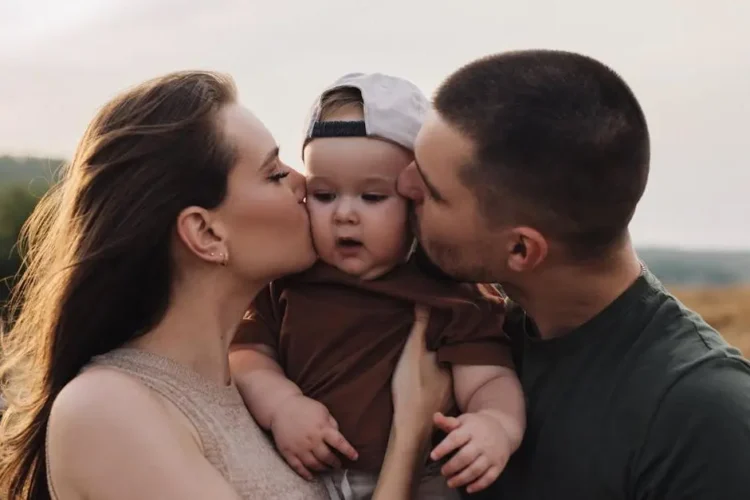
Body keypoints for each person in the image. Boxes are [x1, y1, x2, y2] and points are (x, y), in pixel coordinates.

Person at [0, 70, 452, 500]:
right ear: (207, 234)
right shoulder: (107, 408)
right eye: (275, 173)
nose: (304, 182)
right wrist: (409, 435)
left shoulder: (274, 387)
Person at [396, 49, 750, 499]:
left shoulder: (700, 417)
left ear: (521, 249)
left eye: (432, 192)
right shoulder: (468, 330)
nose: (402, 185)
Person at [230, 73, 524, 499]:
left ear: (415, 201)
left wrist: (495, 424)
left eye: (372, 198)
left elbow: (487, 379)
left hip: (424, 474)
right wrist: (282, 406)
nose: (344, 215)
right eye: (325, 195)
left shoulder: (447, 290)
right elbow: (247, 355)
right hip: (308, 470)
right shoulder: (289, 280)